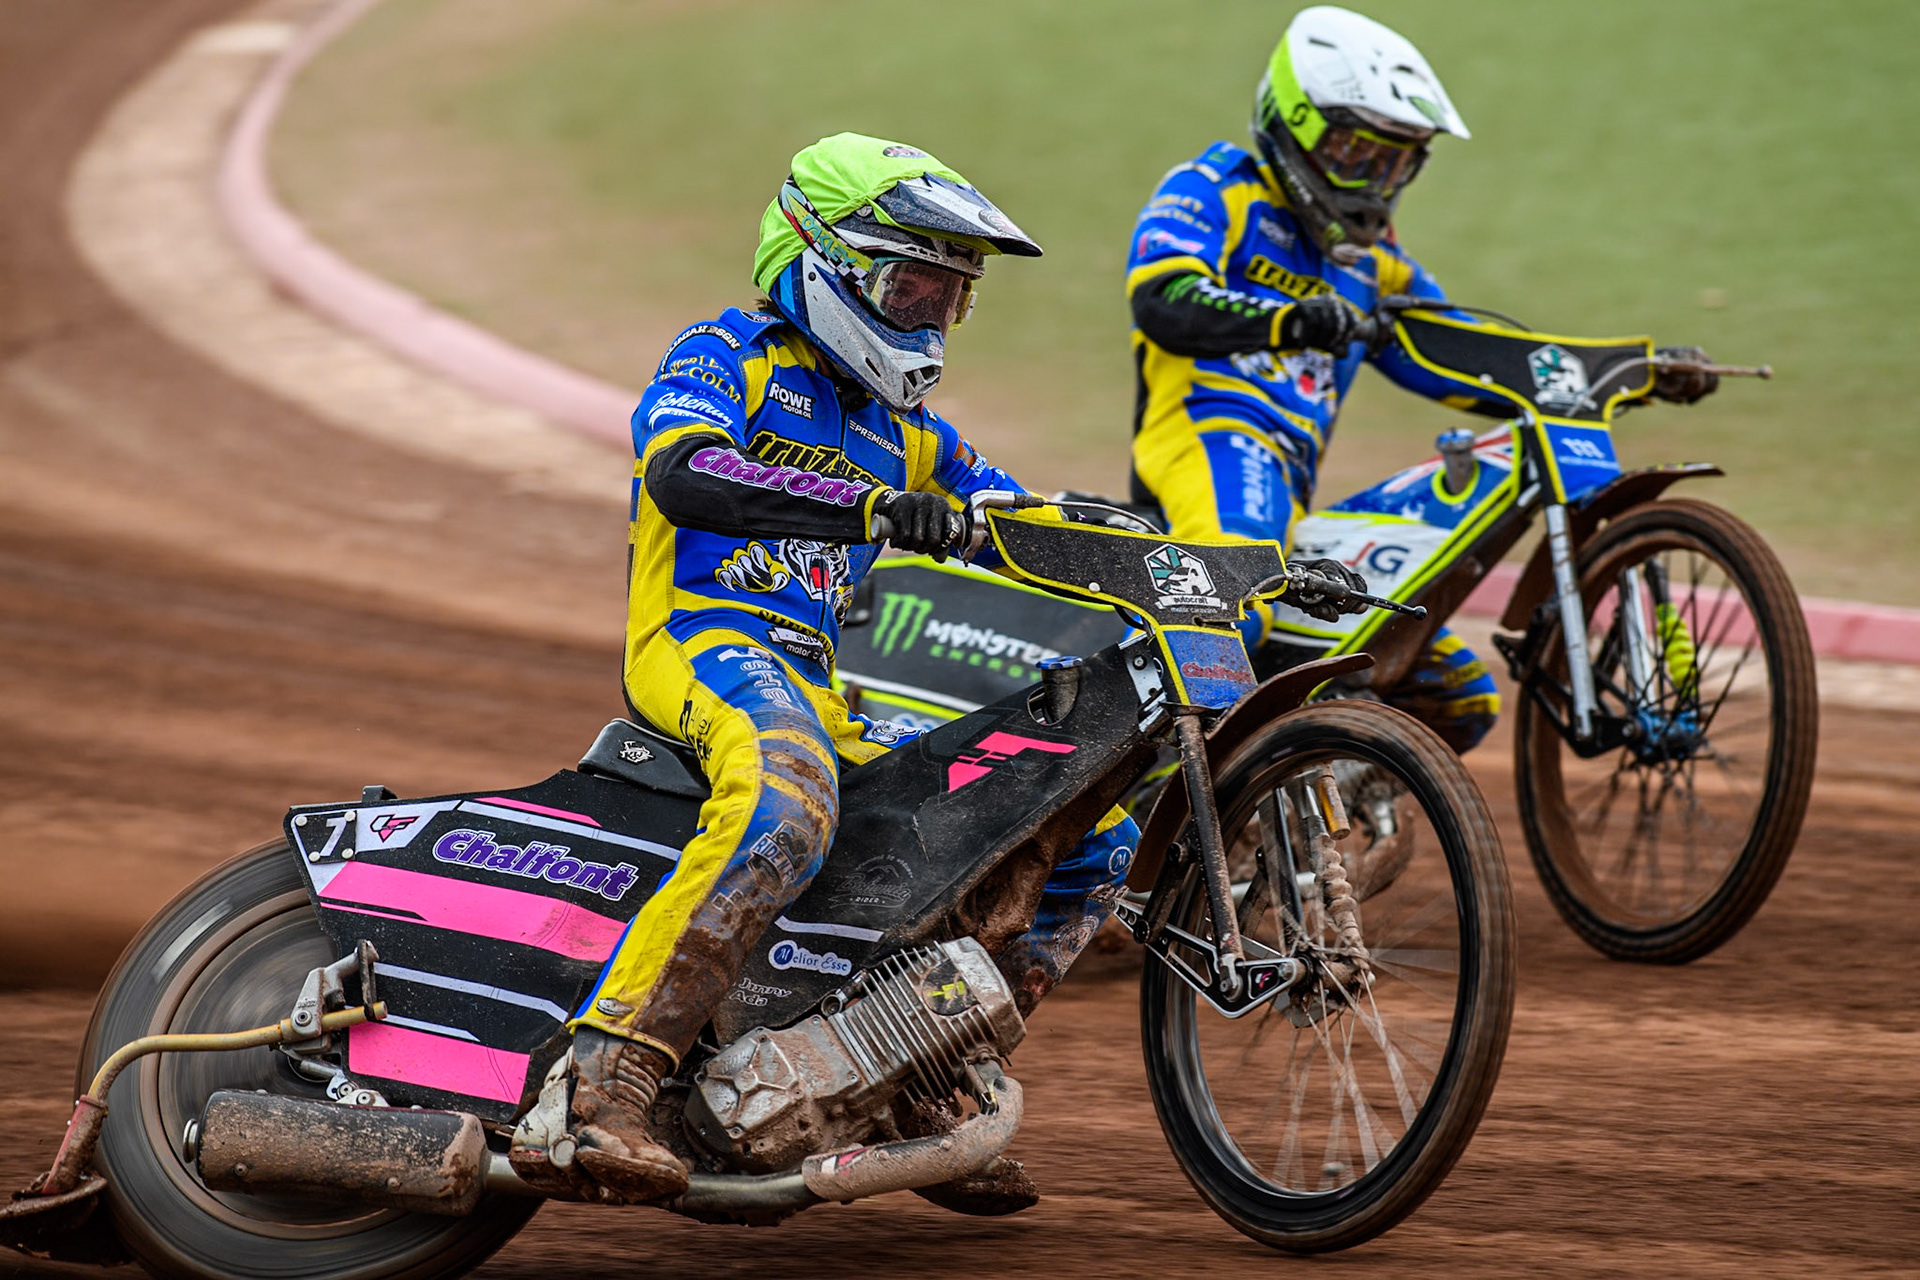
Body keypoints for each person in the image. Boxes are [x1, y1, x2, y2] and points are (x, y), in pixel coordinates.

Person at [560, 133, 1138, 1208]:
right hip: (704, 642)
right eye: (911, 284)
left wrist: (1186, 562)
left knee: (1081, 827)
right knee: (792, 793)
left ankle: (918, 1066)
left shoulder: (909, 430)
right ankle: (611, 1071)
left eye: (948, 298)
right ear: (825, 260)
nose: (927, 316)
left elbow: (1029, 516)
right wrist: (866, 506)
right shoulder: (726, 350)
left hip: (821, 683)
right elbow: (686, 472)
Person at [1125, 5, 1718, 753]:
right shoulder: (1215, 187)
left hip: (1292, 506)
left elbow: (1466, 354)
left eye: (1394, 161)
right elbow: (1161, 299)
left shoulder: (1374, 266)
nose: (1372, 181)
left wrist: (1632, 368)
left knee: (1456, 696)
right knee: (1237, 604)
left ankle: (1286, 832)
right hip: (1208, 439)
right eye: (1354, 152)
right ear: (1292, 124)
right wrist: (1294, 319)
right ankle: (1126, 809)